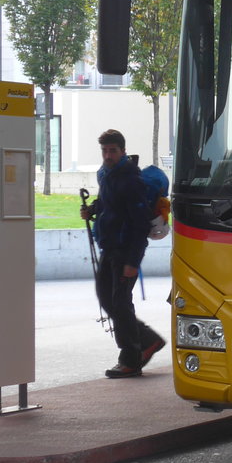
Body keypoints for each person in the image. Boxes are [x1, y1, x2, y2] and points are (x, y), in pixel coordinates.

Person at [80, 129, 165, 379]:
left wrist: (132, 262)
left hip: (125, 250)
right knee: (107, 299)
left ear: (123, 151)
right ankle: (148, 340)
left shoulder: (131, 180)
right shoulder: (108, 175)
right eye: (105, 151)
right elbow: (109, 204)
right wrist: (93, 209)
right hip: (110, 247)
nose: (108, 155)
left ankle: (131, 358)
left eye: (112, 150)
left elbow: (140, 224)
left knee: (119, 303)